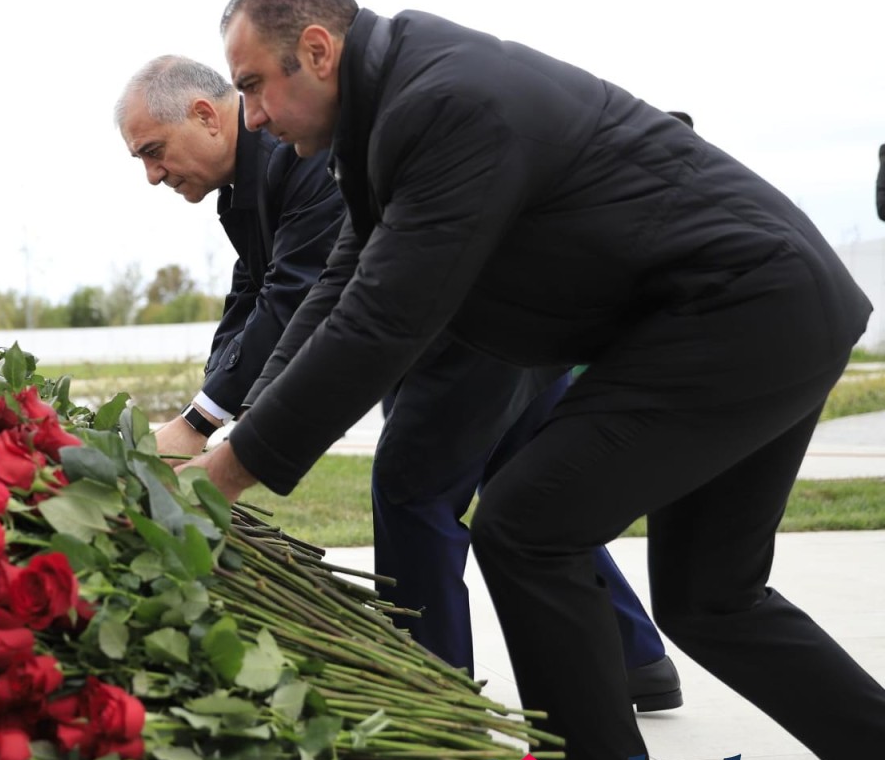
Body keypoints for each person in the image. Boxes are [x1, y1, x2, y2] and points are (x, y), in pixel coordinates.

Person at [184, 0, 885, 760]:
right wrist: (237, 434)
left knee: (525, 522)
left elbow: (387, 320)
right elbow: (342, 286)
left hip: (740, 311)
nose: (250, 116)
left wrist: (226, 476)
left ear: (316, 52)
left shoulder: (441, 102)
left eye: (251, 86)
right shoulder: (393, 111)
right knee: (712, 597)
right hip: (768, 308)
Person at [116, 55, 681, 708]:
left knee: (413, 494)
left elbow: (299, 293)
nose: (154, 175)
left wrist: (203, 426)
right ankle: (637, 658)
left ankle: (436, 699)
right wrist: (203, 412)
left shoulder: (295, 152)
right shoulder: (244, 192)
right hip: (496, 329)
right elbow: (254, 289)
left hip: (477, 326)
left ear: (206, 115)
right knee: (522, 492)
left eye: (154, 152)